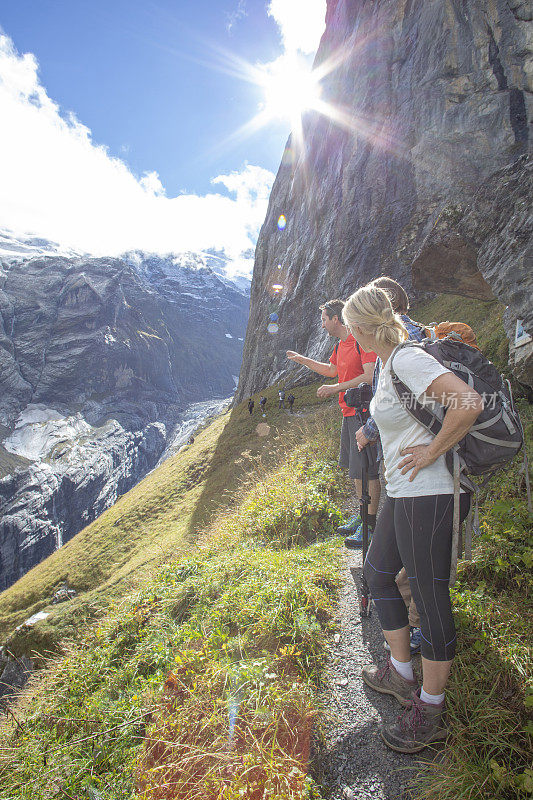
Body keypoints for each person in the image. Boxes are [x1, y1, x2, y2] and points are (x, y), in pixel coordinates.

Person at [342, 284, 483, 753]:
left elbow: (468, 401)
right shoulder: (386, 365)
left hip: (428, 493)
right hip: (403, 492)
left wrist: (432, 451)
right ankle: (402, 673)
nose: (350, 335)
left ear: (361, 328)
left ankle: (432, 705)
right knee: (378, 574)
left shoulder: (407, 358)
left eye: (350, 328)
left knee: (429, 592)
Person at [357, 277, 427, 655]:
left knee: (414, 556)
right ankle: (409, 623)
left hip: (417, 470)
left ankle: (416, 628)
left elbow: (462, 402)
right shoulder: (409, 340)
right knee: (404, 554)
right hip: (408, 466)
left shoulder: (403, 347)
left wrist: (368, 430)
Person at [287, 298, 380, 543]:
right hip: (349, 412)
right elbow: (331, 370)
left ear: (336, 319)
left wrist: (335, 388)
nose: (322, 325)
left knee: (368, 471)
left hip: (364, 413)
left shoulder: (361, 339)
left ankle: (370, 526)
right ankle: (362, 517)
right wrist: (301, 360)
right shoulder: (340, 345)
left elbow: (369, 376)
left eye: (324, 320)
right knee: (357, 469)